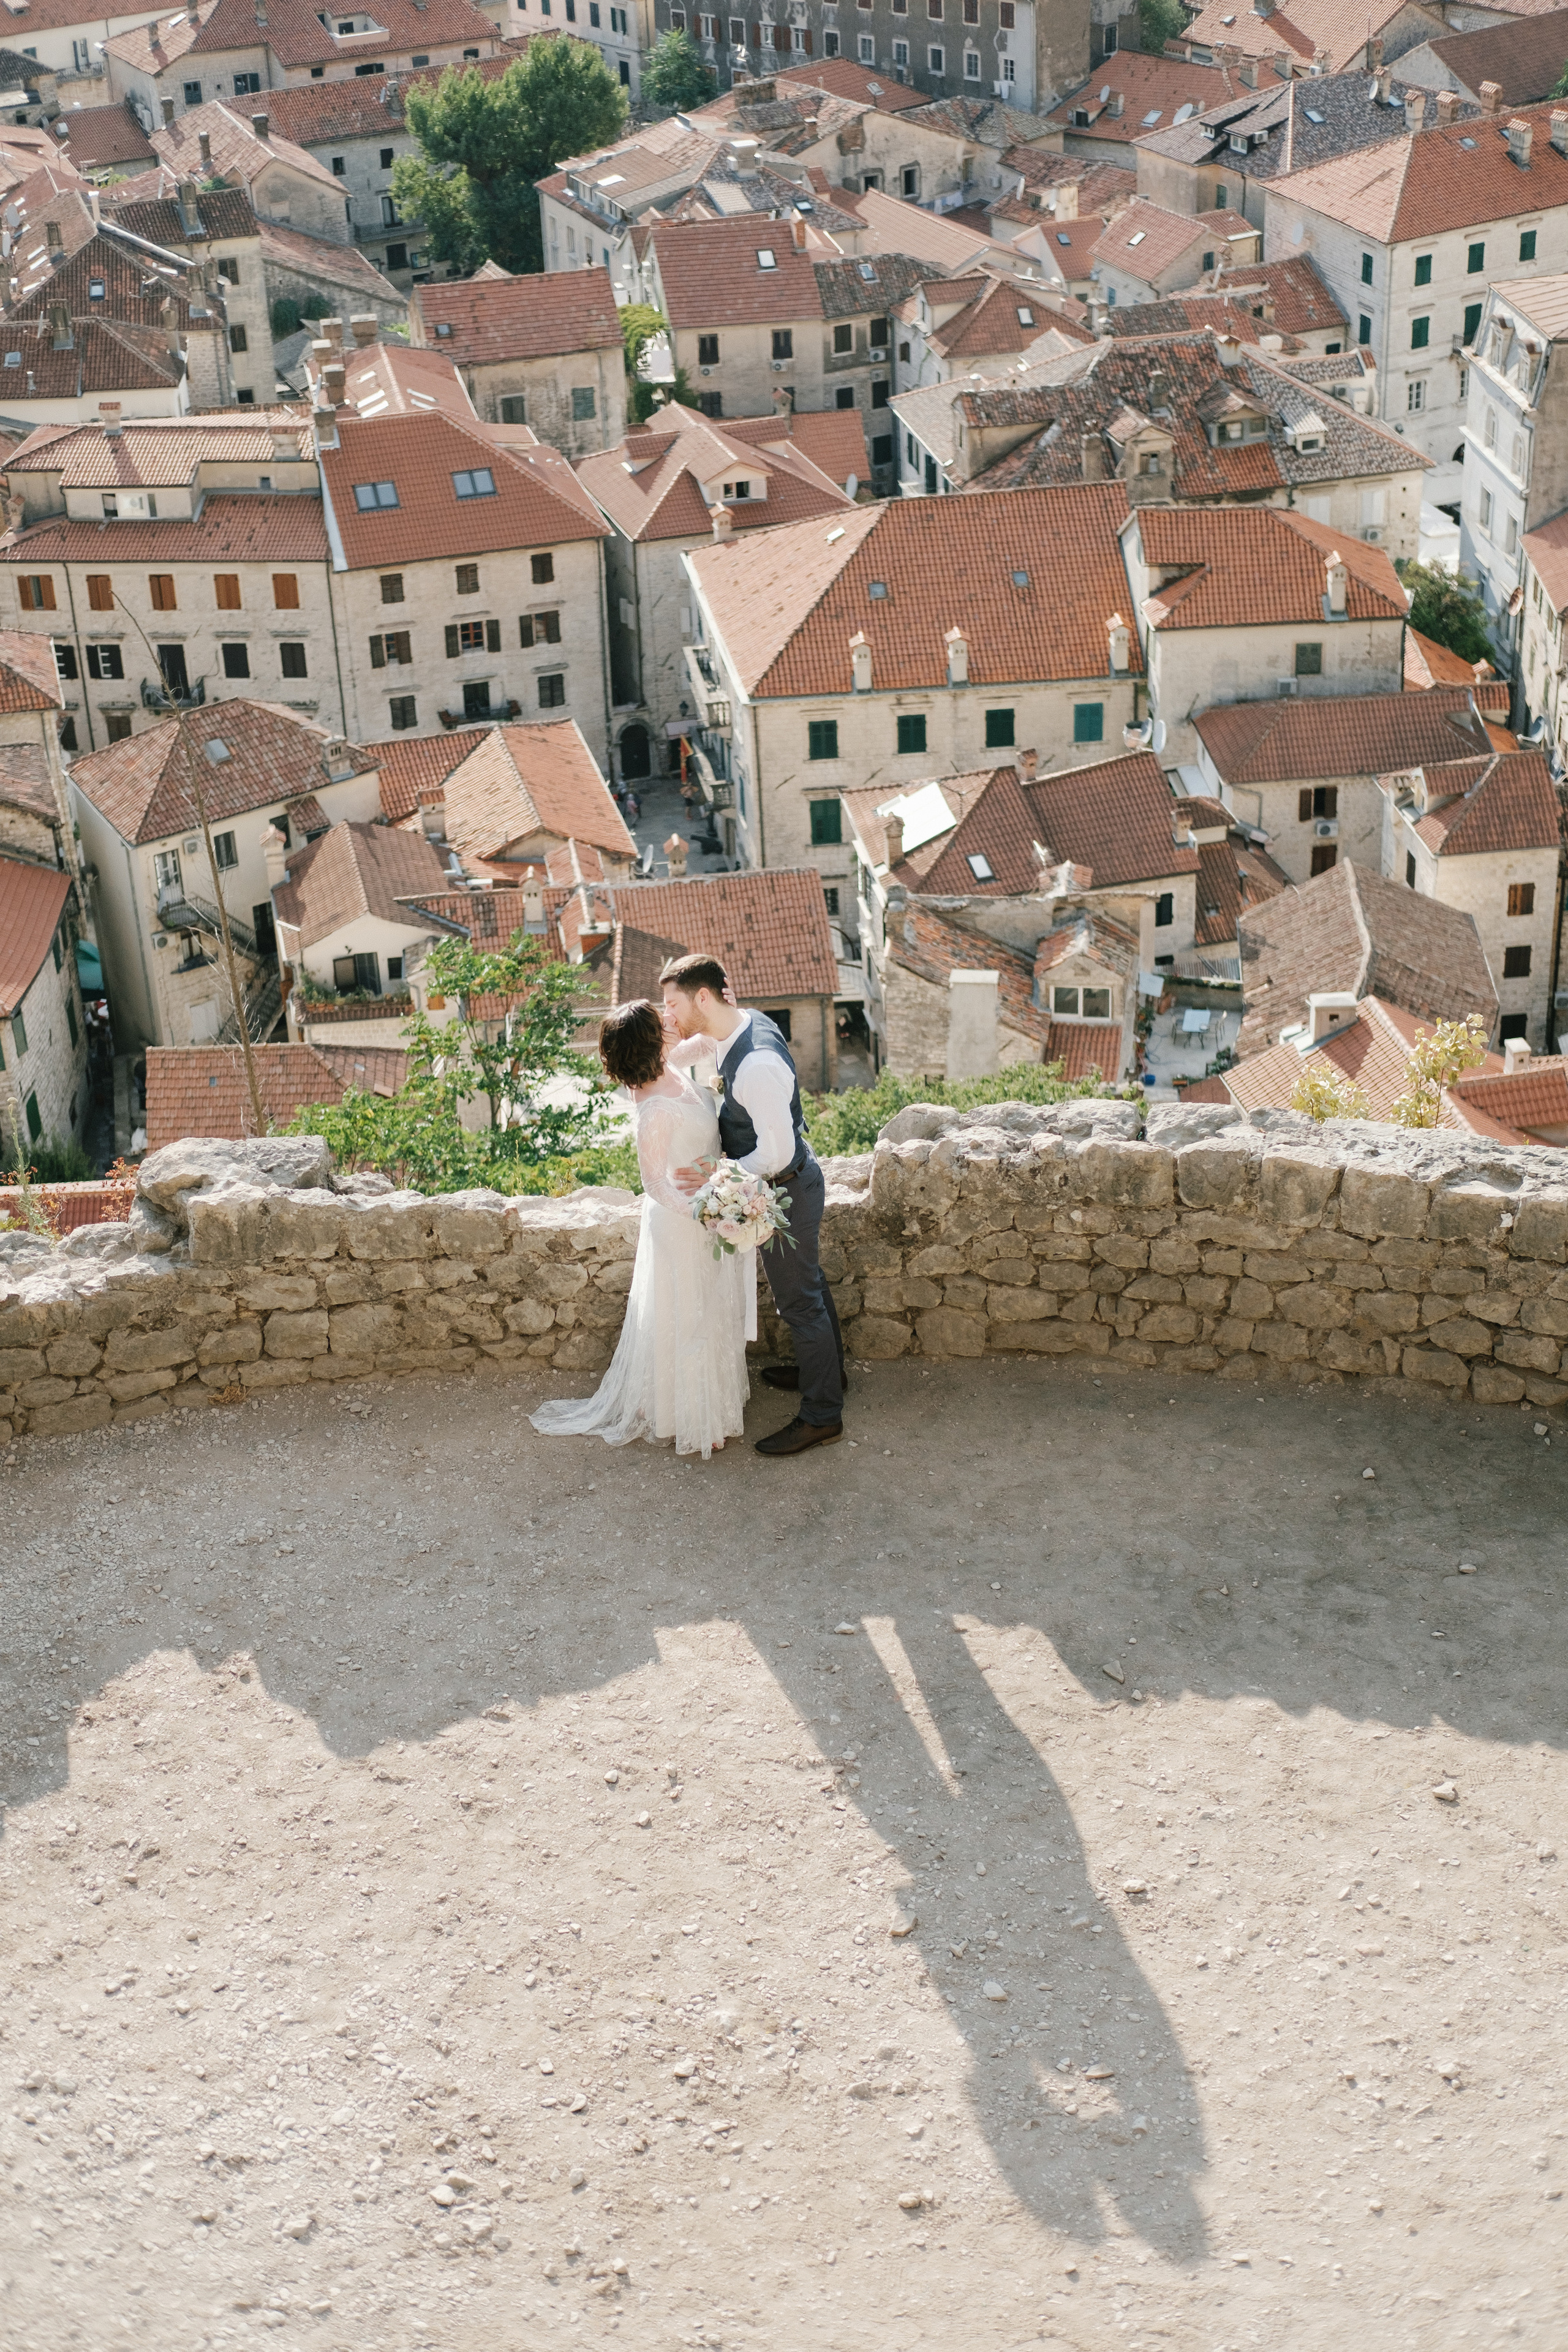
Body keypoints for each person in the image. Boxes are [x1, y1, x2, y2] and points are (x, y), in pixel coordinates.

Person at [529, 999, 748, 1461]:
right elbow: (653, 1183)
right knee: (688, 1318)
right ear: (650, 1041)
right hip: (682, 1221)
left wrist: (712, 1002)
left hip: (709, 1203)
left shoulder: (671, 1062)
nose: (671, 1019)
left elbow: (712, 1038)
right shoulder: (654, 1110)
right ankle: (689, 1418)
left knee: (711, 1311)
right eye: (661, 1019)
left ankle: (710, 1404)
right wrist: (703, 1212)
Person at [660, 951, 845, 1457]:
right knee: (810, 1287)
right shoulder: (738, 1025)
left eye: (673, 1005)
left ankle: (822, 1415)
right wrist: (661, 1061)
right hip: (787, 1181)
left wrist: (720, 1178)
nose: (669, 1017)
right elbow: (701, 1043)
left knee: (799, 1303)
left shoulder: (757, 1064)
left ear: (703, 997)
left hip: (786, 1187)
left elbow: (776, 1152)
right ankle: (830, 1373)